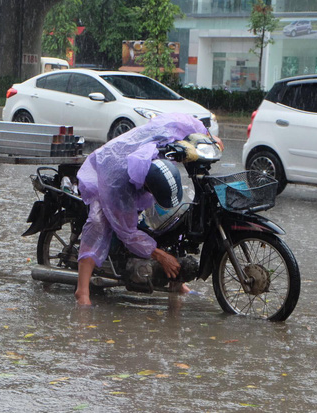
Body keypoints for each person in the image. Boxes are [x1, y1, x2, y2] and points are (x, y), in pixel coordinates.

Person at [74, 113, 223, 306]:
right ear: (148, 188)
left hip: (134, 167)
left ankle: (176, 283)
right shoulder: (116, 188)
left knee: (171, 220)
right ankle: (82, 291)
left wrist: (209, 136)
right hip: (104, 173)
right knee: (98, 225)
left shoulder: (162, 137)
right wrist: (160, 255)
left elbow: (180, 120)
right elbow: (128, 233)